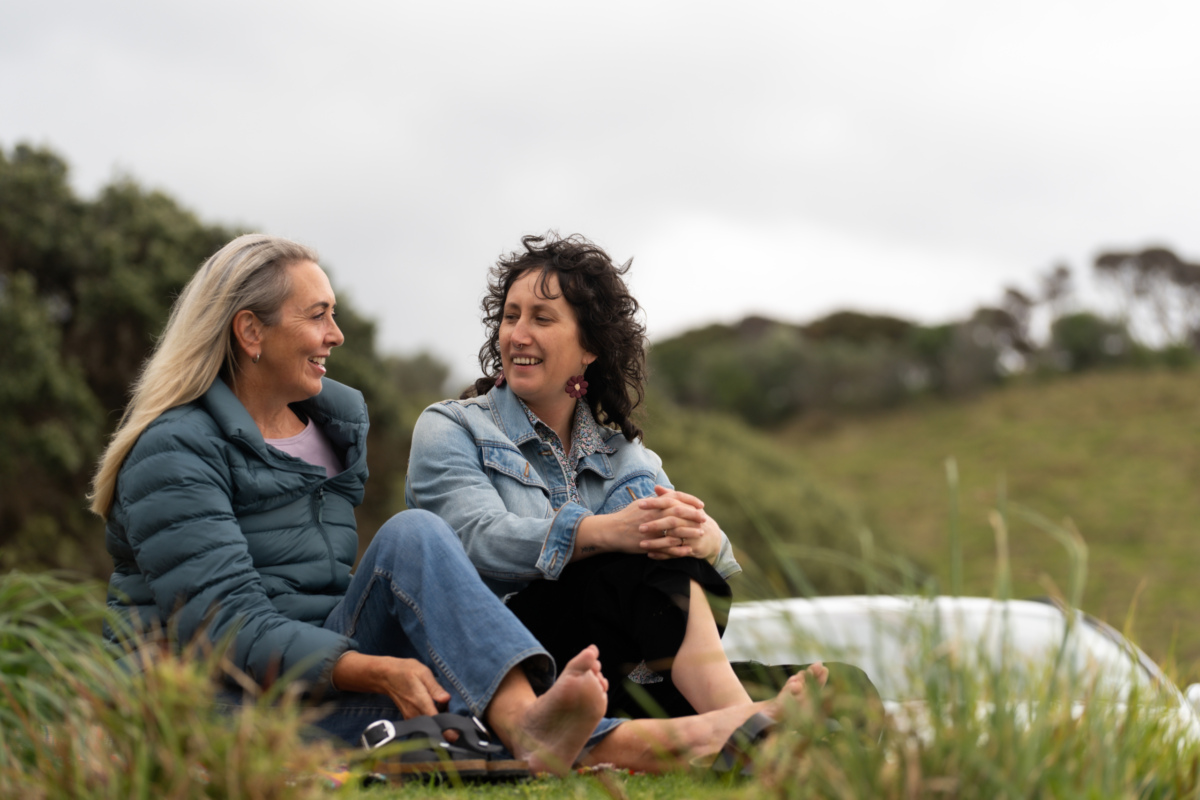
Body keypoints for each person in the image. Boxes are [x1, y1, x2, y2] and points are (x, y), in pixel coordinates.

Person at [90, 233, 824, 775]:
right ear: (250, 331)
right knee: (414, 539)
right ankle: (690, 734)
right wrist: (374, 669)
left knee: (459, 702)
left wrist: (693, 532)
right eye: (317, 317)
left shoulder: (328, 430)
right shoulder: (174, 452)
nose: (336, 336)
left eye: (333, 315)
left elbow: (319, 596)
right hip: (219, 699)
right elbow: (227, 625)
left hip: (322, 674)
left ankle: (671, 732)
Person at [406, 232, 756, 720]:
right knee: (643, 559)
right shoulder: (451, 427)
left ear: (589, 347)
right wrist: (604, 532)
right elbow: (475, 542)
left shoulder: (626, 457)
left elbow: (696, 572)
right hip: (508, 659)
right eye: (511, 316)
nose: (518, 334)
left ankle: (724, 715)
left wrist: (704, 536)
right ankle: (744, 727)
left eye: (541, 318)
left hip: (613, 665)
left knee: (847, 685)